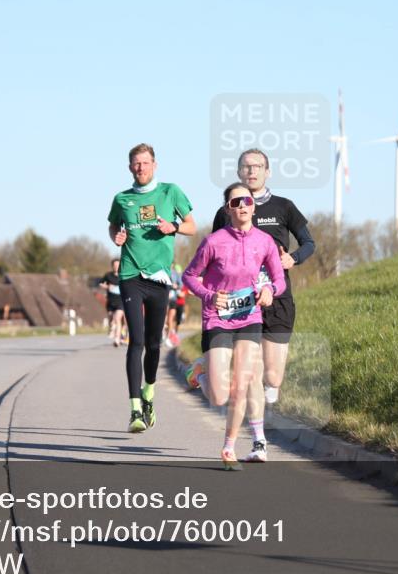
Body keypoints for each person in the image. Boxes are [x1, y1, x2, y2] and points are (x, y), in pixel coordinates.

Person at [188, 149, 315, 406]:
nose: (252, 171)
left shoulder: (284, 206)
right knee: (242, 375)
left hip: (275, 296)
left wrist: (294, 258)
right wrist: (211, 294)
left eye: (257, 166)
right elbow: (213, 254)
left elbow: (309, 243)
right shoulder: (226, 212)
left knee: (273, 378)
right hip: (238, 299)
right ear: (238, 173)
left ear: (268, 172)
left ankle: (205, 366)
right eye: (246, 167)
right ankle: (255, 430)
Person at [183, 182, 285, 469]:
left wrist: (269, 292)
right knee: (218, 395)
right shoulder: (214, 241)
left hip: (250, 317)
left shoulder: (264, 241)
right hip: (217, 319)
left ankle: (228, 447)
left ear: (253, 206)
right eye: (236, 202)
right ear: (228, 209)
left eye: (247, 201)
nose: (242, 206)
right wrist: (209, 295)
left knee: (242, 383)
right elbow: (190, 276)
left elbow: (279, 279)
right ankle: (198, 372)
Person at [108, 143, 195, 432]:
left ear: (154, 165)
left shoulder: (171, 192)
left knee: (155, 344)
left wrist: (174, 227)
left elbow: (192, 226)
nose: (140, 168)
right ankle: (134, 410)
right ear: (130, 167)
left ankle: (149, 392)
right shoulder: (122, 199)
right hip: (131, 275)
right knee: (137, 340)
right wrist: (116, 238)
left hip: (160, 278)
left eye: (145, 163)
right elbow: (112, 226)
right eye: (136, 163)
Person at [99, 258, 125, 347]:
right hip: (110, 301)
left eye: (118, 265)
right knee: (111, 318)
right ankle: (111, 328)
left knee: (117, 319)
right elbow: (100, 284)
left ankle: (117, 339)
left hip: (121, 301)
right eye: (115, 265)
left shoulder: (123, 275)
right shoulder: (108, 275)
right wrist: (107, 287)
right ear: (112, 266)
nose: (116, 267)